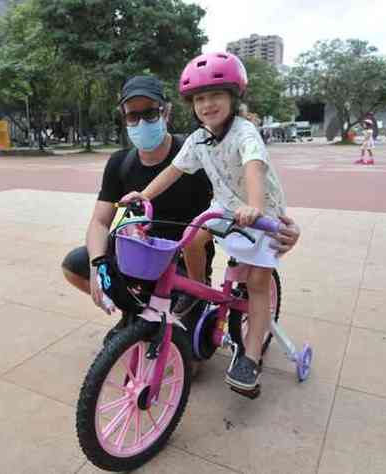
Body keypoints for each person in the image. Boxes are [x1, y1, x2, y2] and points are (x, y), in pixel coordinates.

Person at [60, 75, 301, 333]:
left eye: (150, 113)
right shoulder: (120, 163)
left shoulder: (199, 151)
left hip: (182, 262)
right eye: (133, 116)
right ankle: (135, 315)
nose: (141, 122)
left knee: (187, 359)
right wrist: (98, 266)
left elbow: (245, 187)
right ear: (124, 118)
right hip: (138, 252)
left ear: (167, 112)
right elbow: (99, 221)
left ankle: (180, 310)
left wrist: (280, 226)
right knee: (75, 265)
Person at [120, 52, 293, 391]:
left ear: (233, 96)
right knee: (193, 237)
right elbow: (174, 170)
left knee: (257, 284)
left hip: (261, 216)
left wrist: (255, 208)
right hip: (224, 207)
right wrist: (144, 195)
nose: (207, 104)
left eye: (215, 95)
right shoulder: (199, 138)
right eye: (199, 98)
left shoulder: (245, 133)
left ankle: (251, 357)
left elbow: (253, 167)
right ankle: (199, 291)